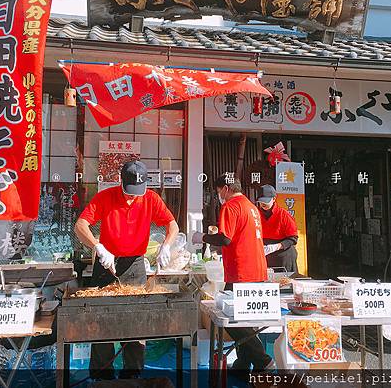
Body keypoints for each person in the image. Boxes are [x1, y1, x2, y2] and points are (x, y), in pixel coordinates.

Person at [74, 160, 178, 379]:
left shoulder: (150, 198)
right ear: (121, 181)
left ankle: (132, 376)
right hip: (107, 264)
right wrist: (97, 247)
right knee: (101, 321)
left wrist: (166, 245)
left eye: (138, 191)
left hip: (135, 265)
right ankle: (102, 376)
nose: (133, 196)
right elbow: (80, 225)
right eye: (130, 191)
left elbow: (172, 225)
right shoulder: (105, 197)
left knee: (136, 323)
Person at [194, 174, 275, 375]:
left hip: (242, 271)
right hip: (257, 270)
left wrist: (202, 237)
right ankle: (243, 365)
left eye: (218, 190)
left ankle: (263, 360)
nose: (218, 195)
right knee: (244, 320)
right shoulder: (251, 206)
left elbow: (225, 238)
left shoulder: (231, 206)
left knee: (233, 322)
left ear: (226, 188)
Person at [256, 185, 299, 273]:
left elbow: (293, 238)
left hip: (283, 253)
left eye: (266, 201)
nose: (263, 204)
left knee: (285, 282)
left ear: (274, 199)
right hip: (264, 252)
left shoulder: (284, 215)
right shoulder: (255, 213)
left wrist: (276, 246)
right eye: (260, 202)